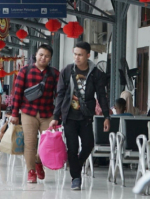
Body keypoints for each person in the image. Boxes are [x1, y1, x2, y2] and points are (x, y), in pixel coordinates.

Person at [50, 42, 110, 190]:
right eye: (75, 54)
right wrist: (55, 116)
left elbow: (102, 96)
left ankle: (76, 163)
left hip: (86, 115)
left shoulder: (96, 73)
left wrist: (106, 116)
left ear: (88, 55)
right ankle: (76, 178)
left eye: (80, 55)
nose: (77, 57)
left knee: (89, 144)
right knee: (72, 147)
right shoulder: (67, 71)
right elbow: (60, 95)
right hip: (69, 116)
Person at [11, 44, 59, 184]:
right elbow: (17, 93)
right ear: (36, 55)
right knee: (30, 144)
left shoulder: (55, 74)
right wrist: (14, 114)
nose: (43, 58)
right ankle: (31, 171)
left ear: (50, 58)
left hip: (47, 113)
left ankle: (38, 160)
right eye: (41, 55)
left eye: (47, 56)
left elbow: (59, 94)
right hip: (28, 112)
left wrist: (58, 115)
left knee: (47, 144)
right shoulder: (25, 71)